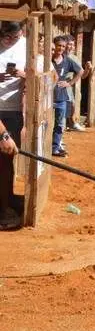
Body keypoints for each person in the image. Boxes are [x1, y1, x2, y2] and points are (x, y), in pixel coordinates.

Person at [0, 22, 26, 230]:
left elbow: (49, 77)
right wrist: (3, 135)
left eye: (12, 37)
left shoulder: (26, 46)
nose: (8, 40)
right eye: (5, 36)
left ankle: (6, 201)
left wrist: (24, 75)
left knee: (7, 161)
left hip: (13, 111)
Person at [51, 36, 82, 158]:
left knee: (59, 124)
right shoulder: (47, 59)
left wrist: (69, 83)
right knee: (45, 123)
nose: (61, 48)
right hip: (47, 97)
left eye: (63, 46)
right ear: (54, 45)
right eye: (59, 45)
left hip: (61, 97)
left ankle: (55, 148)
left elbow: (80, 71)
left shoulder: (67, 60)